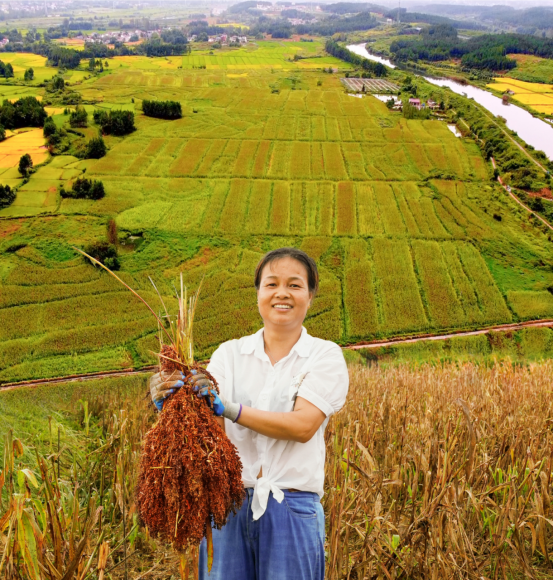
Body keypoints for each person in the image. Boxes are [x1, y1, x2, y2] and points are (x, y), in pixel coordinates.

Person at [149, 247, 349, 580]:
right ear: (258, 293)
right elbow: (207, 424)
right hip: (228, 504)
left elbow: (303, 426)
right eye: (271, 284)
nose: (282, 293)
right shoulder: (230, 354)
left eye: (295, 285)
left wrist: (231, 409)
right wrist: (172, 402)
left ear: (310, 296)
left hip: (293, 507)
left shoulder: (324, 356)